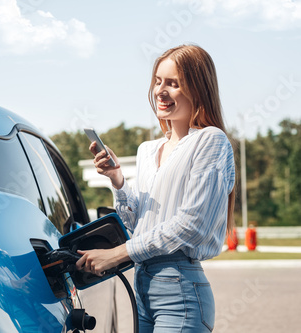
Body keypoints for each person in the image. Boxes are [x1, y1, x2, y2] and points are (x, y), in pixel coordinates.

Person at [75, 44, 236, 332]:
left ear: (198, 89)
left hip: (180, 293)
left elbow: (193, 224)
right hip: (143, 288)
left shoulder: (210, 141)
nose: (161, 91)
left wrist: (118, 253)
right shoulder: (148, 150)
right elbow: (137, 223)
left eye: (173, 83)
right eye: (158, 81)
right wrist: (118, 180)